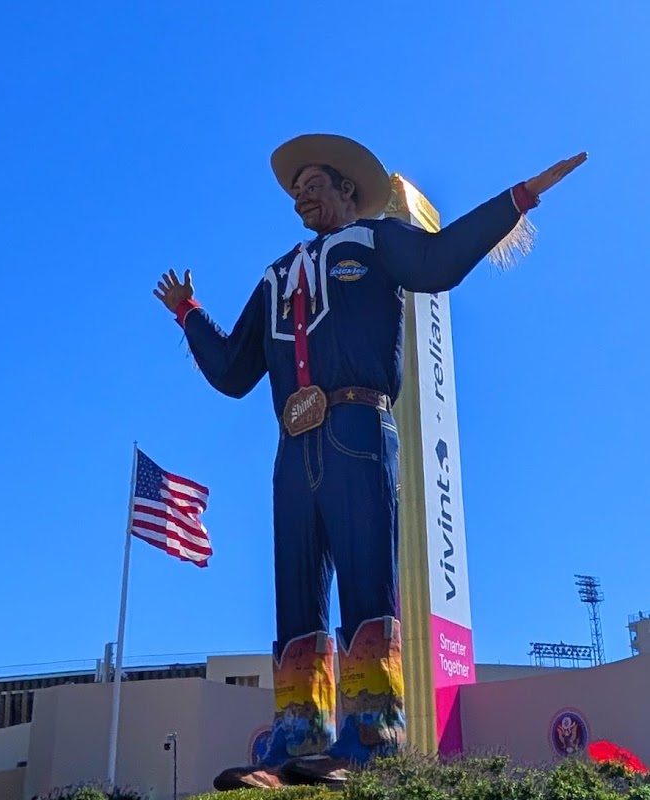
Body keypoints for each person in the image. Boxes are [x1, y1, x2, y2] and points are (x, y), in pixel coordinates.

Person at [154, 134, 586, 790]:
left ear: (347, 190)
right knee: (294, 596)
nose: (300, 193)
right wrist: (188, 314)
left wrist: (517, 198)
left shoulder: (377, 241)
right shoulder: (274, 276)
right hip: (292, 443)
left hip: (357, 424)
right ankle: (295, 738)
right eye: (293, 186)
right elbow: (233, 371)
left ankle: (370, 736)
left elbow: (438, 261)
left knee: (364, 580)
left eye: (312, 182)